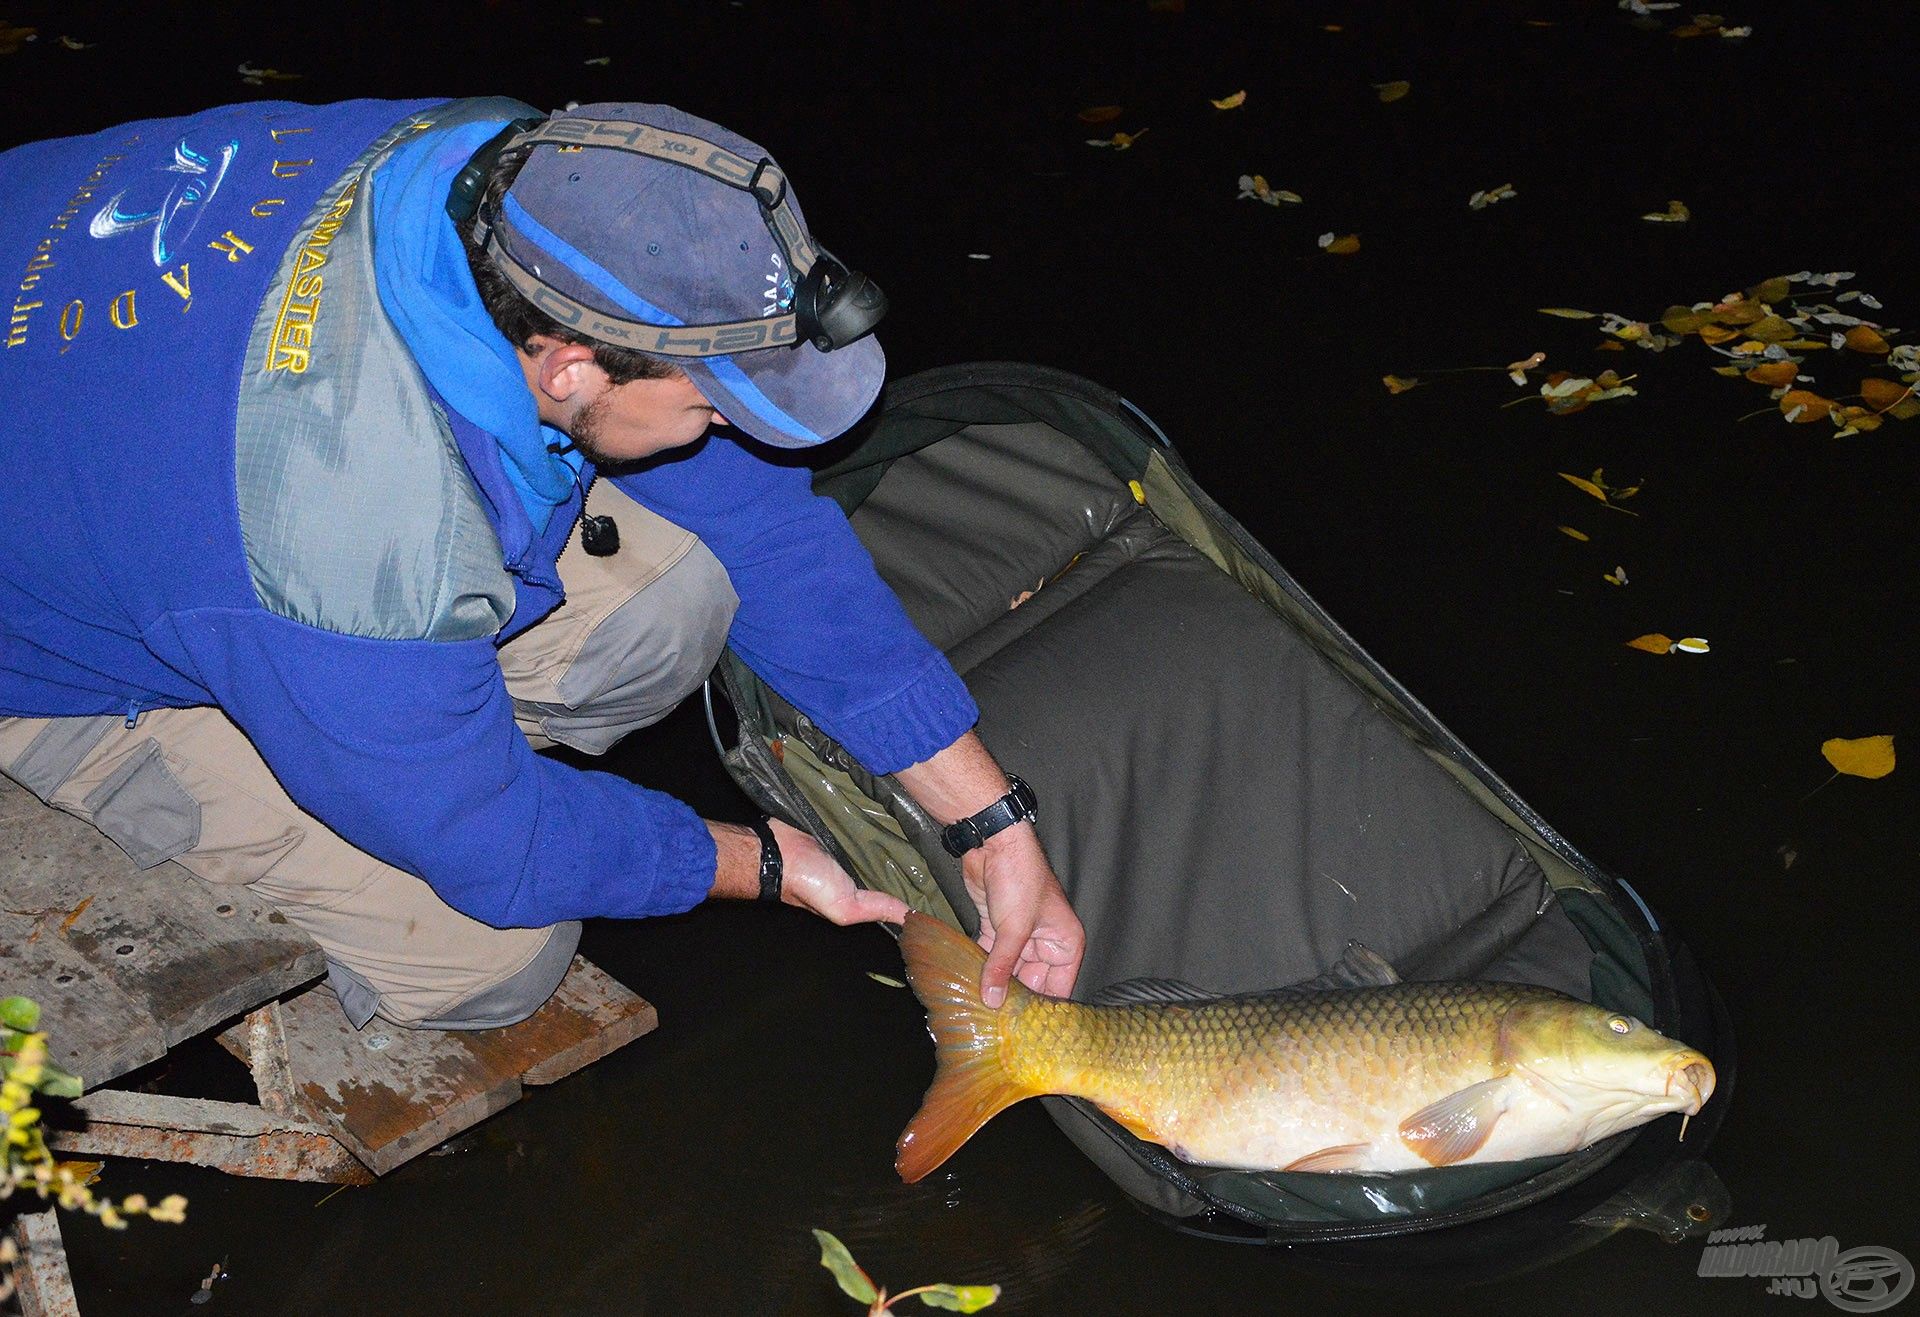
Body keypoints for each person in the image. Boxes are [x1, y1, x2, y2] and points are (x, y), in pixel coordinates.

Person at [0, 95, 1083, 1031]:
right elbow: (498, 852)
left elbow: (762, 529)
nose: (722, 431)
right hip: (55, 652)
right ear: (566, 366)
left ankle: (383, 727)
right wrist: (763, 863)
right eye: (709, 404)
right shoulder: (347, 536)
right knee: (493, 953)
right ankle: (331, 732)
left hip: (120, 425)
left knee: (679, 591)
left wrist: (986, 824)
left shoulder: (514, 172)